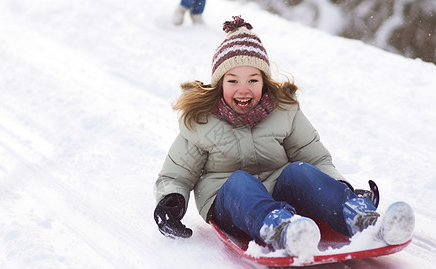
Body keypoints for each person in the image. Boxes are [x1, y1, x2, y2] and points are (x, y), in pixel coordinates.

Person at [153, 16, 415, 256]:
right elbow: (176, 174)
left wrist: (340, 187)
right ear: (219, 83)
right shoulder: (201, 120)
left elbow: (315, 157)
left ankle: (363, 220)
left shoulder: (283, 111)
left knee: (299, 170)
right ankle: (282, 231)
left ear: (264, 82)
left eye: (253, 80)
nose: (243, 90)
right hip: (228, 199)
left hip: (279, 189)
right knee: (239, 181)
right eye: (232, 81)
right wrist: (171, 200)